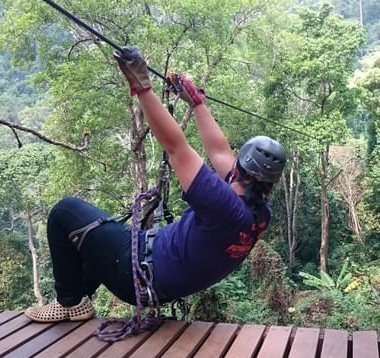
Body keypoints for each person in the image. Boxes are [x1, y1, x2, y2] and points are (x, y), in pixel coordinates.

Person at [24, 46, 286, 322]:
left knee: (65, 212)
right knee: (90, 240)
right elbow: (220, 152)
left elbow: (176, 147)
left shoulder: (222, 205)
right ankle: (79, 297)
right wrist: (196, 103)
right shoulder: (258, 213)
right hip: (148, 273)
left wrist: (143, 87)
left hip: (133, 271)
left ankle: (70, 303)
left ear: (240, 167)